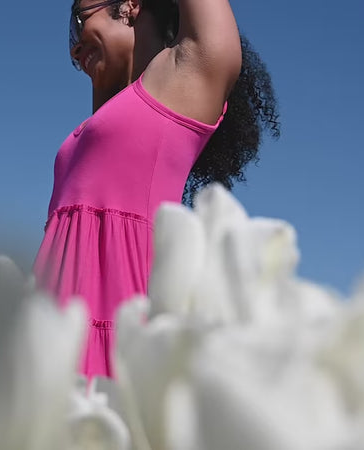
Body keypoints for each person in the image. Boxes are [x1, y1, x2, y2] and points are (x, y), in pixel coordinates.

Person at [34, 0, 280, 378]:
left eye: (79, 22)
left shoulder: (181, 83)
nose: (74, 48)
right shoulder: (104, 118)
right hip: (49, 332)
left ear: (129, 5)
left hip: (118, 327)